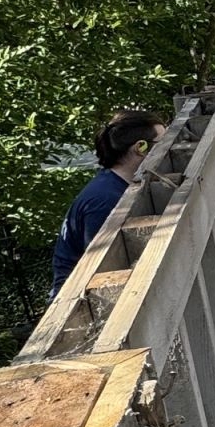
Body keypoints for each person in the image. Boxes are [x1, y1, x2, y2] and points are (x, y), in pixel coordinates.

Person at [50, 110, 165, 295]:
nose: (168, 149)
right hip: (78, 302)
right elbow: (105, 270)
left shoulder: (113, 184)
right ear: (140, 148)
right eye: (163, 143)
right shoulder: (105, 201)